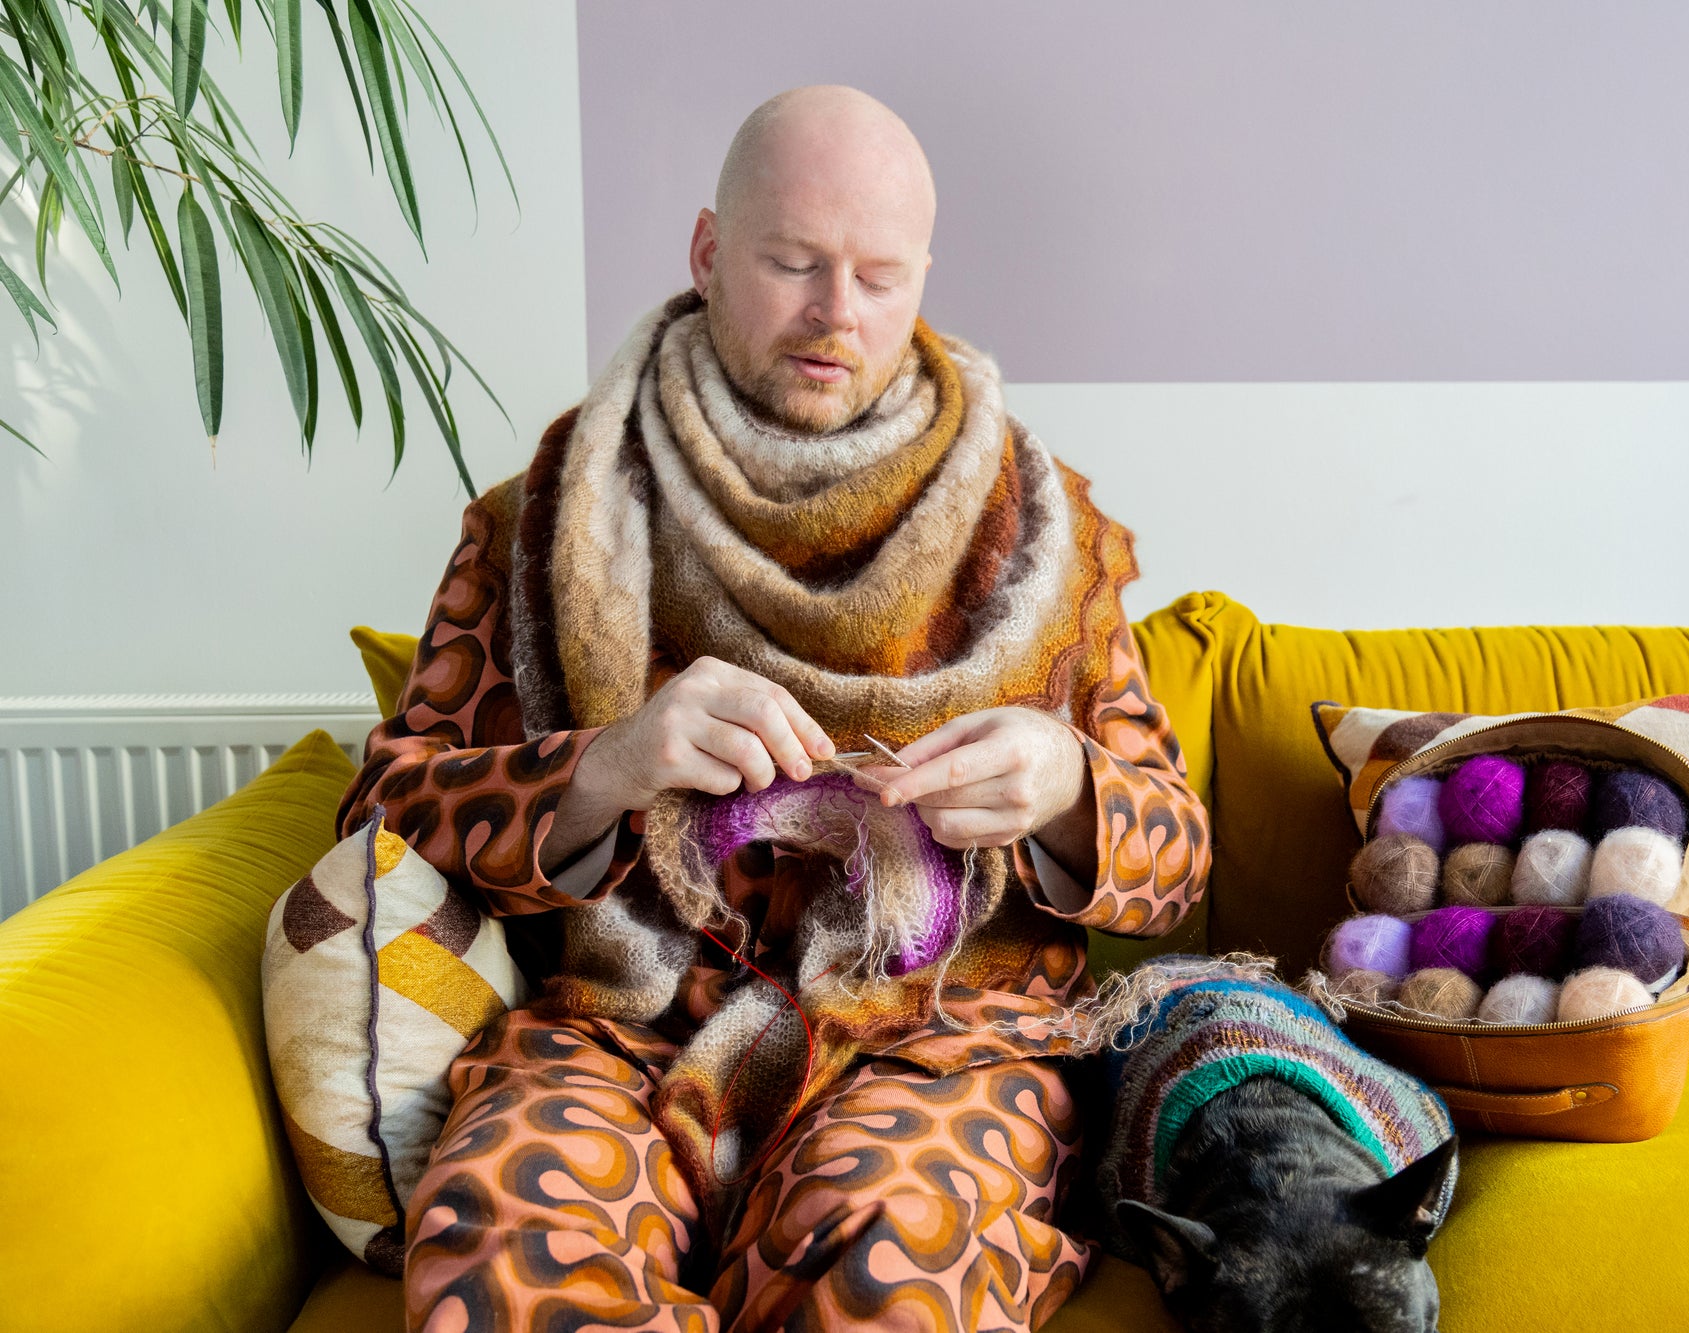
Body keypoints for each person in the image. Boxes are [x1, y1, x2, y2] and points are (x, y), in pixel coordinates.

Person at [337, 84, 1210, 1333]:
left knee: (876, 1277)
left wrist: (1067, 785)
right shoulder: (544, 513)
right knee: (508, 1259)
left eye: (877, 276)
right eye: (791, 263)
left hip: (939, 1037)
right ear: (705, 250)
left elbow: (1172, 853)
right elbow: (383, 810)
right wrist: (606, 767)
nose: (834, 316)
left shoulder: (1040, 534)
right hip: (619, 1029)